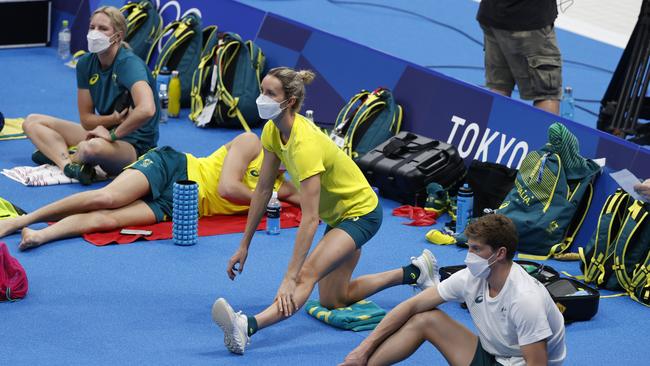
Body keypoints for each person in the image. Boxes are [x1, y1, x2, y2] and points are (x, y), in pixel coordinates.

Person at [211, 67, 440, 355]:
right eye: (262, 91)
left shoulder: (304, 146)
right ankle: (415, 272)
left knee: (306, 274)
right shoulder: (272, 130)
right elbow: (262, 190)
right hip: (339, 215)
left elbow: (309, 219)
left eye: (270, 94)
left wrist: (289, 277)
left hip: (361, 214)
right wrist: (244, 245)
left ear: (290, 101)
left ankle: (247, 327)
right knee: (335, 298)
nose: (261, 98)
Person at [0, 133, 298, 251]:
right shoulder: (251, 143)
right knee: (107, 198)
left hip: (182, 204)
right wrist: (270, 198)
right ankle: (21, 221)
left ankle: (39, 235)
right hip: (173, 167)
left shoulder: (282, 185)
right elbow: (228, 188)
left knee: (108, 220)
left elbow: (316, 198)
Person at [341, 214, 566, 366]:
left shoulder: (525, 300)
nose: (469, 256)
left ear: (500, 253)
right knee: (425, 319)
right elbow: (411, 306)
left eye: (476, 249)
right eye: (469, 247)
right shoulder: (471, 277)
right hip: (494, 355)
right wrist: (363, 350)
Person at [23, 6, 160, 185]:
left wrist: (112, 135)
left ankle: (62, 155)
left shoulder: (129, 65)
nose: (95, 33)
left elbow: (147, 109)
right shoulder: (86, 64)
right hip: (102, 131)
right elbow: (86, 120)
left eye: (103, 29)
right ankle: (69, 166)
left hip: (134, 145)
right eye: (92, 27)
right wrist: (112, 119)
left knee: (90, 148)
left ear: (117, 36)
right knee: (32, 122)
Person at [477, 0, 562, 115]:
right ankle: (541, 133)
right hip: (528, 19)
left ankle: (492, 128)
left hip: (492, 13)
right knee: (547, 94)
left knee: (499, 86)